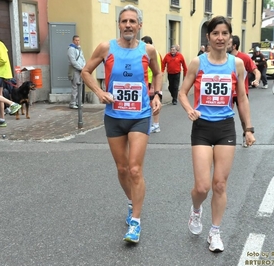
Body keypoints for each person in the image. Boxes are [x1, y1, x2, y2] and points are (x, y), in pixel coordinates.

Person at [81, 5, 162, 243]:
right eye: (124, 21)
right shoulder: (107, 47)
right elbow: (86, 71)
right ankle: (131, 201)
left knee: (135, 169)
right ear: (119, 24)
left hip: (140, 115)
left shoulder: (148, 50)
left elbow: (158, 73)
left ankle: (135, 222)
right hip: (114, 116)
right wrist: (98, 91)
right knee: (122, 169)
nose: (128, 25)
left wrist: (156, 94)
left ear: (140, 25)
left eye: (132, 21)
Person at [178, 16, 255, 252]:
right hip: (202, 127)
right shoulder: (197, 63)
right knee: (202, 187)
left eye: (224, 34)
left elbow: (241, 98)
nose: (220, 38)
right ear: (208, 37)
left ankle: (215, 232)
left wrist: (248, 129)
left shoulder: (236, 64)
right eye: (215, 34)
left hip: (225, 127)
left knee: (220, 184)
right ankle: (196, 210)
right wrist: (190, 109)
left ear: (230, 38)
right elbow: (182, 92)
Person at [227, 35, 260, 148]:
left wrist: (257, 79)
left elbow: (256, 71)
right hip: (228, 93)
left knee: (243, 118)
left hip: (241, 92)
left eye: (228, 44)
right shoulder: (223, 58)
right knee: (225, 116)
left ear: (234, 46)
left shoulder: (244, 58)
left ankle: (246, 135)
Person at [141, 35, 162, 133]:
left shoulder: (153, 52)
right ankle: (149, 124)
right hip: (146, 82)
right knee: (147, 103)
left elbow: (157, 71)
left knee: (153, 103)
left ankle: (156, 124)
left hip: (151, 82)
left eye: (145, 43)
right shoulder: (144, 52)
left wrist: (154, 86)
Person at [67, 35, 86, 109]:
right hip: (75, 70)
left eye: (78, 40)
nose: (77, 42)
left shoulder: (79, 48)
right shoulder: (71, 49)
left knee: (80, 87)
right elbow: (73, 61)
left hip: (81, 70)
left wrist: (84, 67)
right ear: (73, 41)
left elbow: (83, 58)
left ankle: (79, 102)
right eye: (76, 40)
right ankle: (73, 103)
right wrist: (81, 68)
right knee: (75, 87)